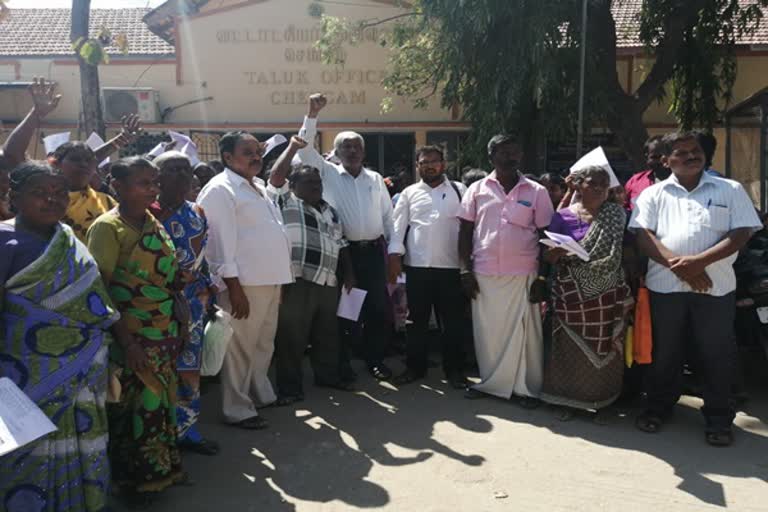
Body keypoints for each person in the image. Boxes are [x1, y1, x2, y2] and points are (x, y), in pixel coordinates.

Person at [0, 162, 120, 512]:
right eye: (40, 193)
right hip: (25, 375)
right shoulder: (5, 241)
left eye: (58, 193)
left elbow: (97, 301)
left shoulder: (67, 239)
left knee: (84, 442)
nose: (52, 200)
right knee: (29, 451)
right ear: (14, 196)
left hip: (85, 369)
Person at [629, 131, 761, 446]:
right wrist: (684, 267)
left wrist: (699, 263)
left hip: (715, 290)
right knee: (666, 353)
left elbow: (743, 232)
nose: (690, 156)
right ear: (665, 160)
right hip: (666, 288)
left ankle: (718, 418)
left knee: (715, 354)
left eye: (695, 151)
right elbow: (642, 235)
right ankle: (658, 408)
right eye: (681, 152)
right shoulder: (653, 195)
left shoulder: (729, 189)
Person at [87, 157, 188, 502]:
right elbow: (100, 289)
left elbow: (168, 276)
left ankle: (163, 468)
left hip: (163, 330)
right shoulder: (107, 227)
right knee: (132, 408)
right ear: (117, 187)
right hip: (130, 334)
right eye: (143, 183)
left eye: (154, 182)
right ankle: (133, 480)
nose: (153, 189)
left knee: (159, 403)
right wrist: (127, 342)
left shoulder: (152, 222)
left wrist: (181, 316)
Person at [296, 93, 396, 381]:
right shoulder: (326, 173)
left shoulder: (375, 179)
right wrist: (311, 114)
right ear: (336, 152)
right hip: (342, 255)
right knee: (343, 313)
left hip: (374, 254)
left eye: (356, 147)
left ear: (363, 152)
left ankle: (375, 359)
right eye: (346, 147)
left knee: (377, 310)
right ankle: (342, 364)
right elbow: (303, 151)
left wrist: (392, 253)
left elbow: (388, 217)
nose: (352, 151)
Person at [197, 131, 293, 429]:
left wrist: (281, 279)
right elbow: (219, 245)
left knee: (263, 343)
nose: (256, 157)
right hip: (244, 284)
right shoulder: (221, 189)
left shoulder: (258, 186)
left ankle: (260, 392)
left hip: (270, 279)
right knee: (239, 348)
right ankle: (236, 409)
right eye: (247, 152)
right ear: (227, 157)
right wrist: (234, 288)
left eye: (258, 151)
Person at [458, 134, 554, 405]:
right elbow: (465, 232)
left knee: (526, 335)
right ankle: (491, 385)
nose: (511, 157)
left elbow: (547, 235)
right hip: (485, 273)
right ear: (491, 157)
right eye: (504, 152)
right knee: (489, 333)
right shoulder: (476, 189)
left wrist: (543, 276)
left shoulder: (537, 192)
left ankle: (525, 389)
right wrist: (465, 271)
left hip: (524, 273)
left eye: (515, 152)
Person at [266, 136, 357, 405]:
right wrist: (293, 148)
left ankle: (327, 377)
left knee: (327, 335)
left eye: (318, 183)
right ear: (293, 186)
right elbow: (275, 177)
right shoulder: (285, 202)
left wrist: (349, 274)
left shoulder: (330, 210)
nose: (316, 187)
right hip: (298, 281)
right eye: (309, 183)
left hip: (328, 281)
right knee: (292, 338)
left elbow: (342, 244)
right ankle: (290, 389)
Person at [540, 166, 631, 419]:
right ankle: (568, 399)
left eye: (605, 183)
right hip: (569, 293)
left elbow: (621, 253)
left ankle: (601, 400)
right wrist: (555, 254)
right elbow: (548, 255)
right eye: (593, 183)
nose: (600, 188)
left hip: (607, 292)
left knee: (606, 345)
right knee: (569, 347)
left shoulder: (615, 214)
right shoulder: (563, 216)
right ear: (578, 185)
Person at [149, 151, 219, 455]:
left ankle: (187, 430)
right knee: (156, 372)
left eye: (185, 169)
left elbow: (202, 258)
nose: (180, 174)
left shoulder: (198, 211)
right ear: (156, 177)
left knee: (189, 368)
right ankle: (158, 437)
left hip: (192, 305)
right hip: (153, 307)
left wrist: (209, 296)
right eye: (172, 168)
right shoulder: (146, 213)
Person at [387, 145, 469, 389]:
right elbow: (397, 227)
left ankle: (454, 371)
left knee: (452, 322)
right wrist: (394, 257)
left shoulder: (460, 190)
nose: (429, 166)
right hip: (418, 267)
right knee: (416, 322)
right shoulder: (409, 193)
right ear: (418, 166)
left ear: (443, 164)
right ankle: (415, 368)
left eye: (434, 161)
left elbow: (468, 228)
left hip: (451, 267)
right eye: (424, 162)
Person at [623, 135, 668, 210]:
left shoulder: (685, 182)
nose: (661, 161)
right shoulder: (635, 182)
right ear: (647, 157)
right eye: (655, 157)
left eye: (664, 157)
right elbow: (625, 208)